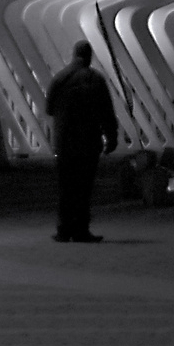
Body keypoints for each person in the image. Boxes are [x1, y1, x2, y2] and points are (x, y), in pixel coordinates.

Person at [45, 41, 119, 243]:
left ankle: (63, 229)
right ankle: (80, 230)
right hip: (87, 142)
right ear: (89, 56)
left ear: (73, 54)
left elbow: (49, 108)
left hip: (63, 142)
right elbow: (106, 112)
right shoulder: (95, 79)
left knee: (66, 186)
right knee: (83, 188)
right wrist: (111, 138)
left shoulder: (59, 78)